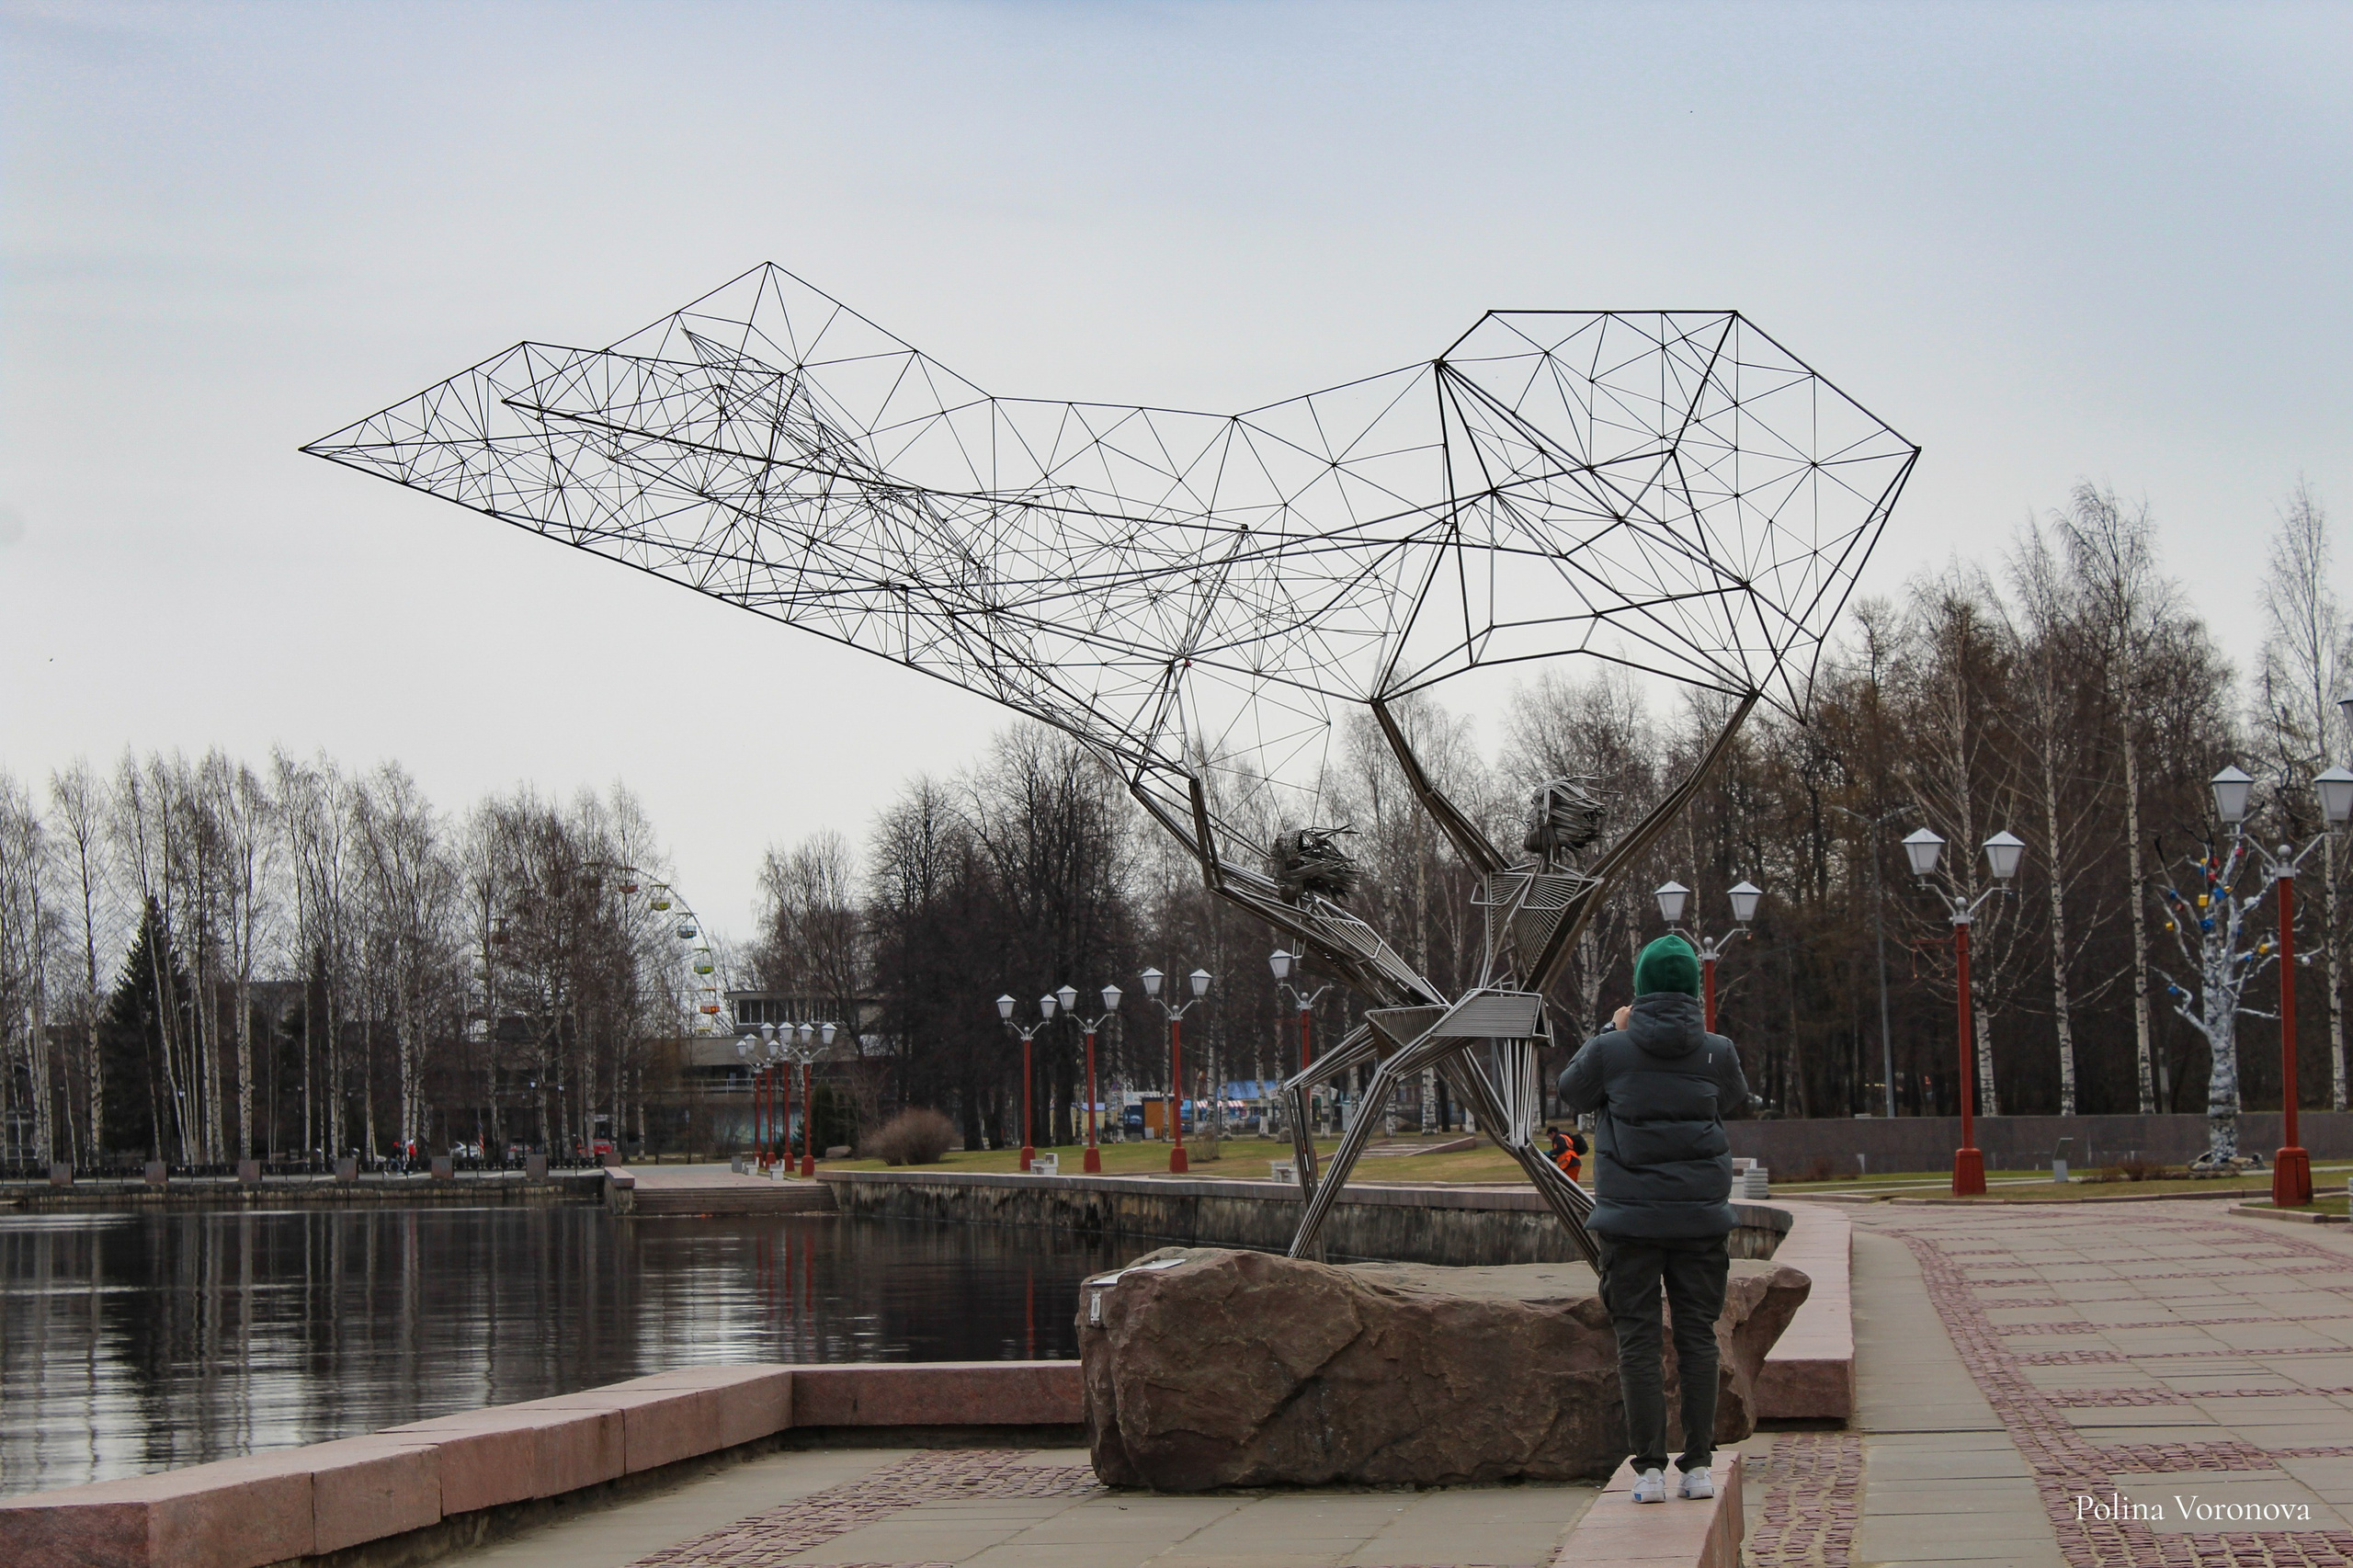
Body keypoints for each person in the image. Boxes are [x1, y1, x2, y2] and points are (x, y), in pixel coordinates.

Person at [1558, 933, 1750, 1506]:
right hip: (1700, 1220)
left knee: (1637, 1342)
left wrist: (1610, 1033)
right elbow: (1731, 1100)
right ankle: (1697, 1468)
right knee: (1698, 1340)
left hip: (1630, 1222)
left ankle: (1648, 1471)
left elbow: (1572, 1088)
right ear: (1693, 988)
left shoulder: (1612, 1049)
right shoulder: (1718, 1050)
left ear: (1640, 989)